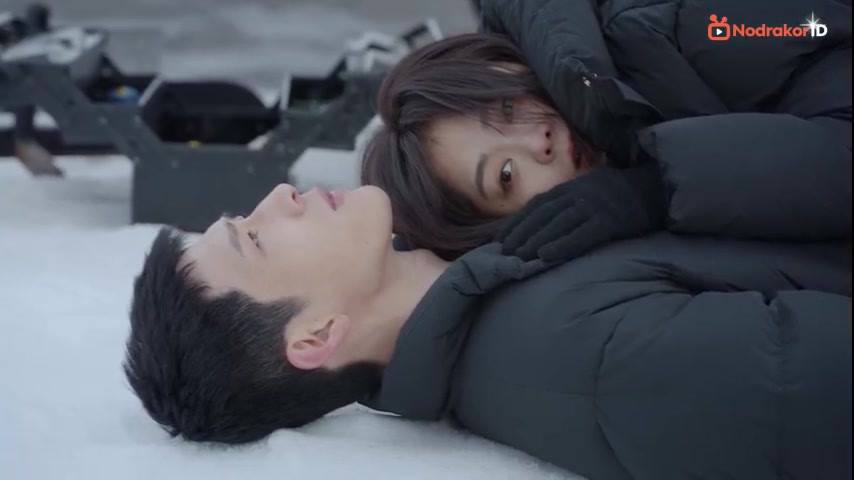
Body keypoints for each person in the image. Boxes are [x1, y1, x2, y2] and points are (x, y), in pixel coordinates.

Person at [124, 180, 851, 479]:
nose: (279, 194)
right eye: (254, 238)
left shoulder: (487, 264)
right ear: (315, 337)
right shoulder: (587, 367)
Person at [362, 0, 852, 262]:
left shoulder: (662, 25)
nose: (538, 140)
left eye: (508, 108)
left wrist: (662, 187)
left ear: (503, 66)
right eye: (506, 174)